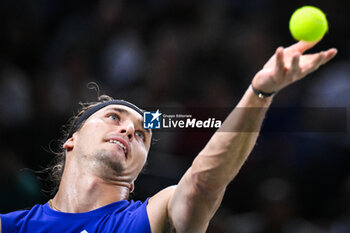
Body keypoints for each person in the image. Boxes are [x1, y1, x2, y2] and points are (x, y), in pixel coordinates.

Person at [0, 40, 337, 233]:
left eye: (143, 134)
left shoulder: (149, 217)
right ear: (70, 140)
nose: (130, 129)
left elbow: (203, 183)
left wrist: (259, 92)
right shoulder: (11, 226)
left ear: (135, 176)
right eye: (114, 117)